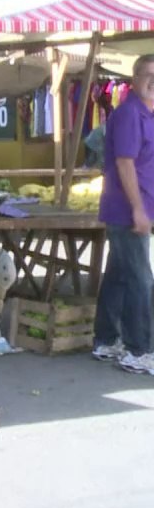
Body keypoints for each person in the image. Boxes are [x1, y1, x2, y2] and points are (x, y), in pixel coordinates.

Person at [92, 53, 154, 374]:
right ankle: (138, 350)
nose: (153, 81)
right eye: (147, 74)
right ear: (134, 79)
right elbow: (125, 163)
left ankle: (105, 340)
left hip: (135, 208)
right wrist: (138, 210)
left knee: (118, 275)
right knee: (141, 280)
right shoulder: (130, 113)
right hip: (127, 210)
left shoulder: (147, 113)